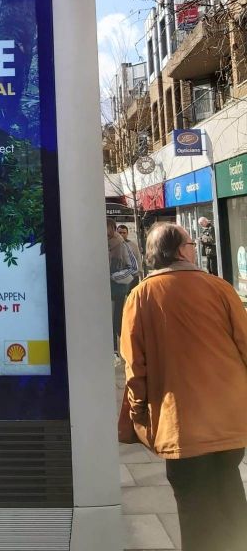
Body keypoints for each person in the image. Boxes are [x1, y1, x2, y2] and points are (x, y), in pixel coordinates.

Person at [120, 221, 247, 551]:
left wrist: (138, 412)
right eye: (191, 243)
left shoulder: (139, 297)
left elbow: (135, 367)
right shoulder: (219, 288)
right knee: (230, 494)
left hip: (182, 426)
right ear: (179, 250)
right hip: (229, 418)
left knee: (194, 508)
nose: (194, 248)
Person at [107, 217, 135, 353]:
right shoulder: (97, 243)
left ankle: (120, 350)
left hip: (117, 289)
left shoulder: (121, 244)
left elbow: (133, 267)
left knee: (116, 321)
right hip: (100, 290)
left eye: (108, 228)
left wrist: (114, 276)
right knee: (106, 323)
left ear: (112, 229)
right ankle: (112, 350)